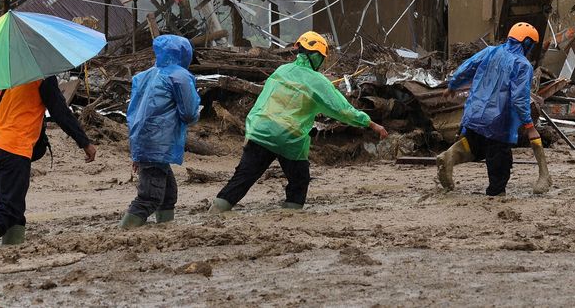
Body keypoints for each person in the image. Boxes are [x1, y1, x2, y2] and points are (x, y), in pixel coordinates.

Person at [210, 32, 388, 213]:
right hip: (290, 137)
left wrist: (251, 131)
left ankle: (217, 210)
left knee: (243, 177)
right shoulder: (319, 81)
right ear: (316, 56)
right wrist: (371, 124)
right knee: (299, 181)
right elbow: (343, 110)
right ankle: (290, 214)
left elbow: (262, 102)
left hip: (260, 130)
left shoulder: (281, 70)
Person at [0, 74, 96, 249]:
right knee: (8, 209)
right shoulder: (43, 76)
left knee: (14, 208)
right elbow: (60, 112)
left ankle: (11, 251)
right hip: (14, 148)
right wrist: (85, 143)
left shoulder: (8, 76)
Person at [435, 22, 550, 196]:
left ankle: (449, 156)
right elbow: (519, 99)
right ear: (527, 43)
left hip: (474, 113)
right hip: (498, 121)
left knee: (475, 146)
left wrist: (452, 85)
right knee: (500, 164)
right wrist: (530, 126)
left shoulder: (490, 51)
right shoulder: (522, 65)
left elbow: (468, 66)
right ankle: (494, 198)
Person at [119, 34, 201, 228]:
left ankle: (165, 229)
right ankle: (124, 231)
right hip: (159, 142)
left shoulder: (145, 75)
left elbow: (133, 110)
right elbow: (189, 113)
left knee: (168, 193)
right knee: (150, 197)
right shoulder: (179, 76)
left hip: (141, 138)